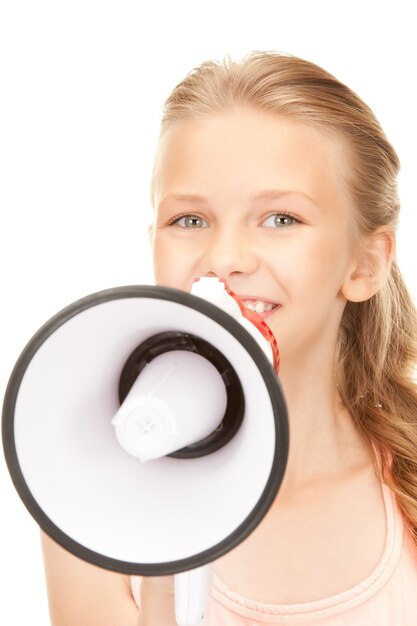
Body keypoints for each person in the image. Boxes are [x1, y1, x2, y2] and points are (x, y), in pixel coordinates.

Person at [41, 51, 417, 625]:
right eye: (189, 220)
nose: (224, 259)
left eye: (280, 219)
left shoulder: (404, 486)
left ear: (365, 264)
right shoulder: (93, 498)